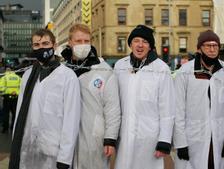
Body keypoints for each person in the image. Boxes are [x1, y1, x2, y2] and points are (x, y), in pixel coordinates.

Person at [9, 29, 81, 169]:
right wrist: (16, 147)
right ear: (32, 48)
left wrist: (65, 158)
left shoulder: (68, 76)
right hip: (27, 150)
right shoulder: (27, 76)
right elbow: (19, 115)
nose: (41, 48)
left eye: (45, 43)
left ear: (54, 46)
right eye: (36, 45)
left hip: (53, 154)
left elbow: (71, 119)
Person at [173, 30, 224, 169]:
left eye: (215, 46)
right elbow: (177, 109)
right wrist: (181, 143)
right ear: (199, 49)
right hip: (192, 136)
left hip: (219, 137)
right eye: (207, 46)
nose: (212, 49)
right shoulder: (185, 72)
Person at [114, 24, 175, 169]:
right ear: (130, 44)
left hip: (149, 140)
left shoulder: (161, 69)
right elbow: (113, 103)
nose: (140, 45)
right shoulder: (119, 66)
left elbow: (168, 108)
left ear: (150, 46)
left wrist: (165, 140)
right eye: (136, 40)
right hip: (124, 137)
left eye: (145, 42)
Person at [61, 23, 121, 169]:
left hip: (94, 138)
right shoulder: (62, 71)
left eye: (86, 41)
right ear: (70, 42)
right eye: (78, 41)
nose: (83, 45)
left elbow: (112, 109)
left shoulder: (104, 70)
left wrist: (110, 139)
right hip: (65, 138)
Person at [0, 66, 21, 133]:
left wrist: (3, 94)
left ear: (6, 70)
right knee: (14, 113)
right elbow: (21, 88)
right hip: (15, 97)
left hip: (7, 97)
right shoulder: (18, 78)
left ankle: (5, 128)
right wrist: (16, 92)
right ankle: (13, 127)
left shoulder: (4, 78)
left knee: (6, 113)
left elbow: (1, 88)